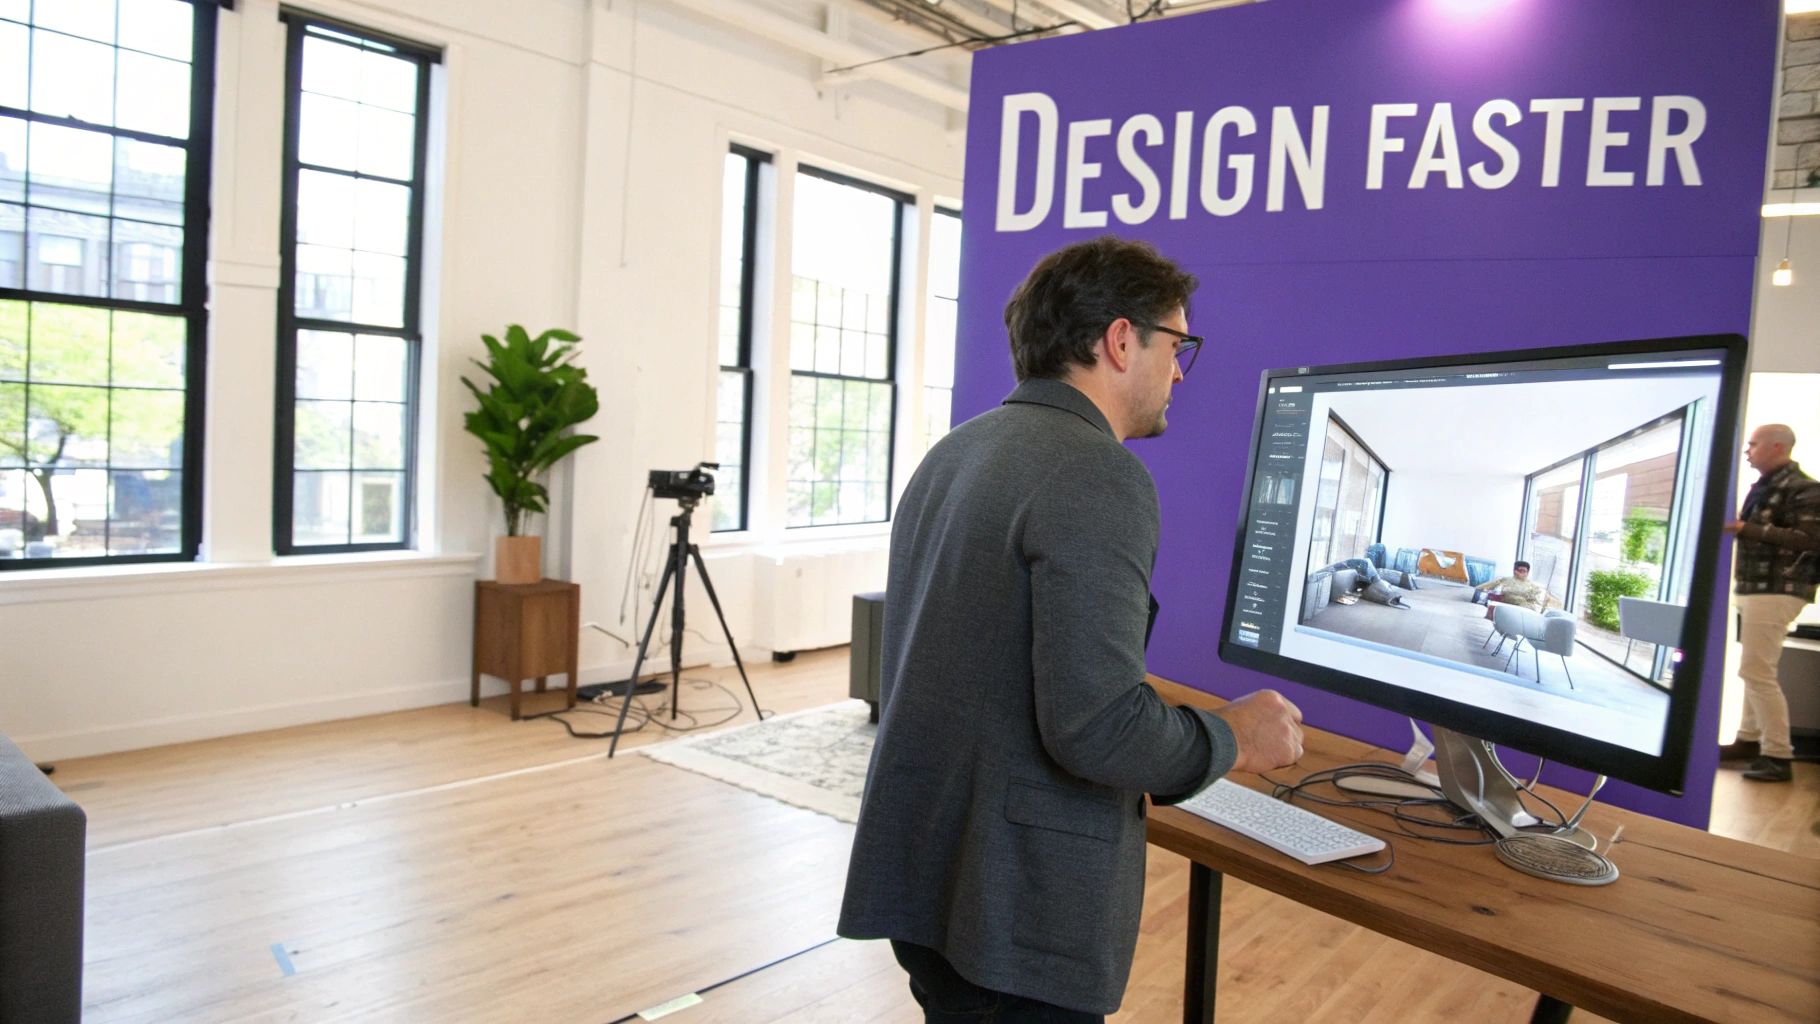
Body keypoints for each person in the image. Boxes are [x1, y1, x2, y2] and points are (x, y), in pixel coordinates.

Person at [837, 236, 1304, 1021]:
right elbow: (1096, 731)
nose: (1181, 370)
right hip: (1012, 907)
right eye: (1178, 343)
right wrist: (1235, 736)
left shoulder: (955, 453)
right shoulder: (1096, 471)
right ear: (1122, 340)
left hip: (928, 879)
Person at [1719, 424, 1820, 783]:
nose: (1748, 450)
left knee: (1757, 672)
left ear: (1777, 447)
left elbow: (1812, 540)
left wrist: (1745, 528)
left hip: (1777, 590)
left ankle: (1778, 756)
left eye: (1754, 444)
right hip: (1754, 589)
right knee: (1753, 669)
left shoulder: (1805, 488)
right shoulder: (1763, 488)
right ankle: (1748, 741)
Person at [1473, 561, 1549, 619]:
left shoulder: (1533, 586)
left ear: (1527, 572)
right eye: (1518, 570)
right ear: (1514, 570)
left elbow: (1539, 602)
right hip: (1505, 606)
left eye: (1523, 571)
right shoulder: (1505, 580)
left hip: (1522, 609)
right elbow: (1481, 588)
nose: (1520, 572)